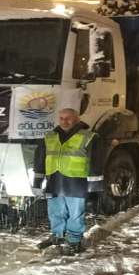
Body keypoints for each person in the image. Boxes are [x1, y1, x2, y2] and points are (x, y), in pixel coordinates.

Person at [33, 108, 105, 255]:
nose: (64, 121)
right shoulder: (49, 137)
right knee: (55, 211)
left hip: (76, 182)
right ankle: (57, 236)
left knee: (75, 214)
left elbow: (96, 162)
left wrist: (94, 186)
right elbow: (40, 160)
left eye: (68, 118)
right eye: (61, 118)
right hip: (54, 181)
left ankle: (74, 241)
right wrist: (37, 181)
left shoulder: (90, 137)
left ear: (77, 119)